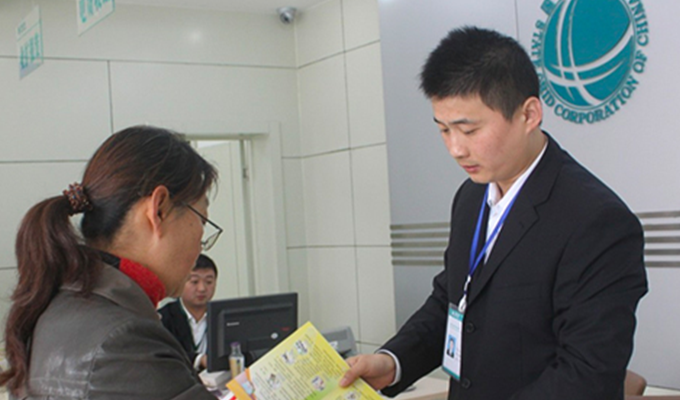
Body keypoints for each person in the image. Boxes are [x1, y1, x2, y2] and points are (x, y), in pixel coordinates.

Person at [340, 27, 648, 399]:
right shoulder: (470, 198)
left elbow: (587, 374)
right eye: (444, 130)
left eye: (469, 130)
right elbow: (452, 301)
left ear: (529, 114)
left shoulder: (596, 220)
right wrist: (393, 362)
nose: (455, 148)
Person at [0, 126, 221, 400]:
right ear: (159, 210)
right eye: (202, 220)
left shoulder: (58, 307)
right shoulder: (125, 340)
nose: (200, 243)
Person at [159, 254, 218, 371]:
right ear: (180, 282)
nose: (202, 288)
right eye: (194, 282)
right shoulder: (163, 318)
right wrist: (199, 360)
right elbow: (165, 355)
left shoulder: (222, 317)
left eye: (209, 282)